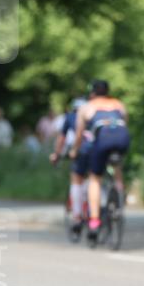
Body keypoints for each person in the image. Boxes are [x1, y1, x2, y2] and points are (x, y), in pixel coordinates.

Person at [71, 80, 130, 241]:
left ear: (92, 93)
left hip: (102, 139)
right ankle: (119, 192)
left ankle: (94, 221)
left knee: (95, 179)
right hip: (122, 138)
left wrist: (75, 150)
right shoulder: (118, 103)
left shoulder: (86, 107)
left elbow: (79, 134)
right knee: (116, 164)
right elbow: (126, 122)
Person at [51, 97, 91, 236]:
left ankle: (77, 216)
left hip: (80, 150)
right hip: (97, 149)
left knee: (76, 179)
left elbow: (61, 138)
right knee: (94, 178)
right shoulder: (93, 114)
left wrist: (56, 154)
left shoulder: (70, 117)